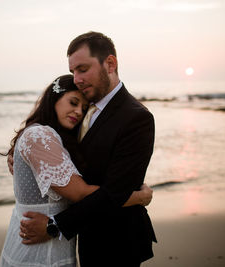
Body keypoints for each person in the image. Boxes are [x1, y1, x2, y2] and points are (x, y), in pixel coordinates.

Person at [17, 32, 157, 267]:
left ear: (110, 64)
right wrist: (21, 156)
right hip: (84, 235)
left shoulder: (136, 118)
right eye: (73, 72)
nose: (77, 79)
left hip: (117, 241)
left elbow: (114, 193)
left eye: (83, 69)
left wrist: (54, 226)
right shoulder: (81, 108)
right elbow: (55, 151)